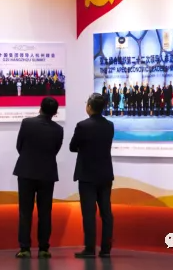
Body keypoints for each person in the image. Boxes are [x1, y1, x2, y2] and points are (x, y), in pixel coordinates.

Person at [13, 97, 64, 259]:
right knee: (45, 212)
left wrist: (29, 158)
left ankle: (24, 248)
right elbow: (55, 150)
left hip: (26, 172)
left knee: (25, 212)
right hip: (47, 173)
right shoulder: (58, 129)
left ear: (40, 108)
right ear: (55, 112)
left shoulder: (27, 123)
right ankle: (43, 248)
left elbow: (19, 146)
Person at [69, 93, 114, 258]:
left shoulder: (82, 126)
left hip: (87, 175)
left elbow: (72, 147)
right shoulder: (109, 125)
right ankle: (106, 249)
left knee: (89, 213)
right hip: (105, 174)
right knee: (106, 212)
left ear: (89, 107)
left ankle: (89, 249)